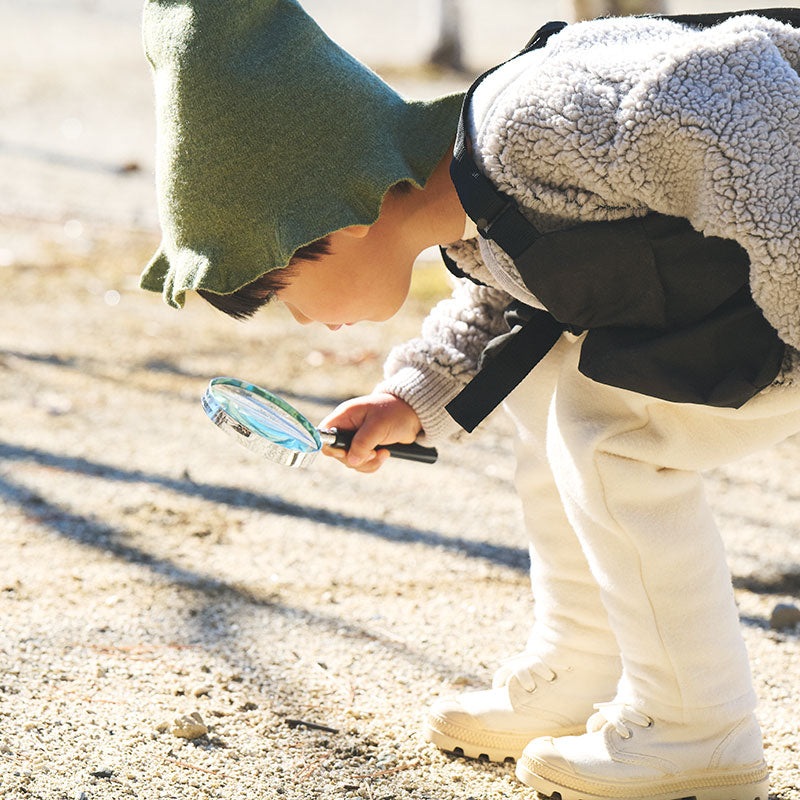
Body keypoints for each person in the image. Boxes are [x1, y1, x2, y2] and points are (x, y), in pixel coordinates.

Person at [140, 2, 800, 798]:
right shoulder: (475, 208)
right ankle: (583, 664)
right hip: (742, 308)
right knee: (546, 380)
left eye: (283, 292)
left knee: (607, 434)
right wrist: (410, 398)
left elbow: (738, 88)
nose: (304, 319)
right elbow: (513, 303)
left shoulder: (528, 123)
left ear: (330, 220)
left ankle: (698, 730)